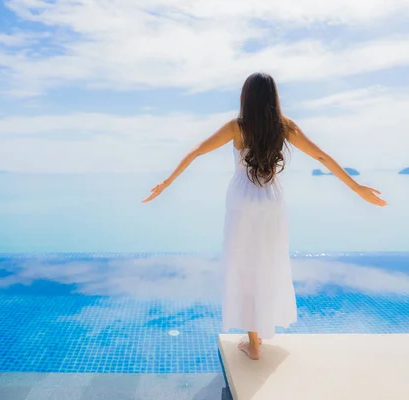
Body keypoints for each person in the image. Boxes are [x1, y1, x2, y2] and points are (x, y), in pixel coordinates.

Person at [141, 72, 387, 360]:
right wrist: (356, 188)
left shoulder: (237, 127)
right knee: (269, 261)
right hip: (272, 200)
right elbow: (321, 157)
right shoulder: (285, 127)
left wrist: (166, 183)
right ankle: (262, 330)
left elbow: (196, 152)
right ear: (273, 97)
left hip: (242, 199)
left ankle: (253, 341)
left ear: (246, 97)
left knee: (243, 264)